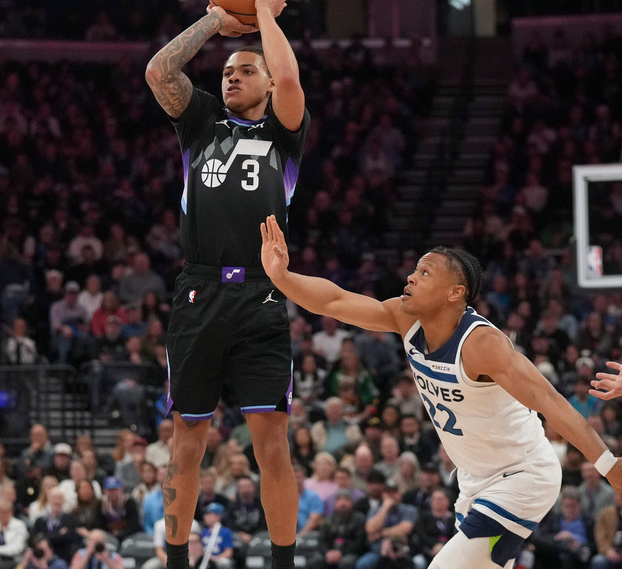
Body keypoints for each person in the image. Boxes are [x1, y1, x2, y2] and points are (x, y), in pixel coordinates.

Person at [259, 216, 622, 569]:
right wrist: (283, 277)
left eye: (425, 272)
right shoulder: (406, 319)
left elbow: (552, 403)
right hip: (473, 481)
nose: (411, 277)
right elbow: (335, 302)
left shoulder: (482, 345)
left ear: (455, 292)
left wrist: (610, 466)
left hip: (522, 476)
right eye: (415, 270)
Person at [144, 0, 309, 569]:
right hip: (200, 290)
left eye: (246, 70)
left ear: (266, 82)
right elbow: (159, 71)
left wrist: (264, 14)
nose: (233, 76)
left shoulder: (284, 134)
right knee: (187, 444)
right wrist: (217, 17)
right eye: (227, 72)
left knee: (273, 447)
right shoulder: (201, 122)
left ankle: (283, 563)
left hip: (263, 295)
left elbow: (288, 74)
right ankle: (178, 561)